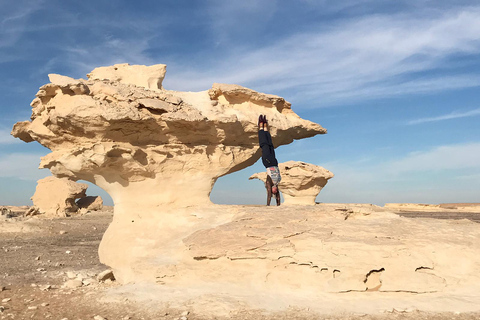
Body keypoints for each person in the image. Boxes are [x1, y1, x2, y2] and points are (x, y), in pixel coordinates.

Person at [258, 115, 281, 206]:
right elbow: (278, 197)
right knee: (271, 145)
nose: (275, 191)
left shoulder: (269, 183)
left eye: (273, 192)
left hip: (268, 162)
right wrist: (278, 204)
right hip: (274, 163)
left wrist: (268, 205)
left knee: (264, 145)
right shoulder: (277, 183)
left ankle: (260, 126)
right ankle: (265, 127)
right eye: (276, 192)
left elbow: (269, 196)